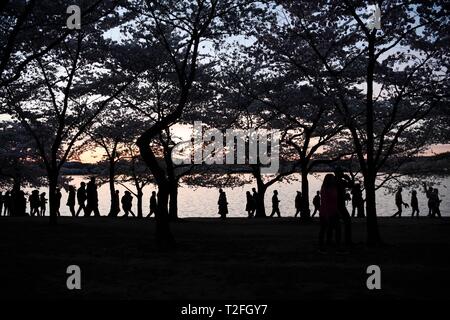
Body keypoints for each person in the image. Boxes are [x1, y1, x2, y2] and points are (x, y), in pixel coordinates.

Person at [318, 174, 341, 253]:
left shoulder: (334, 188)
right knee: (324, 229)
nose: (333, 180)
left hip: (334, 211)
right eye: (332, 178)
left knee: (336, 229)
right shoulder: (325, 189)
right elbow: (324, 203)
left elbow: (334, 201)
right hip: (325, 212)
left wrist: (337, 210)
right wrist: (326, 214)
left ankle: (332, 245)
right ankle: (321, 247)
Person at [334, 167, 353, 245]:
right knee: (341, 223)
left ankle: (346, 241)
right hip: (336, 205)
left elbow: (351, 186)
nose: (342, 174)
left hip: (341, 204)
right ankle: (342, 241)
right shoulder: (334, 181)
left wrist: (349, 179)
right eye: (341, 172)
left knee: (346, 222)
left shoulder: (342, 181)